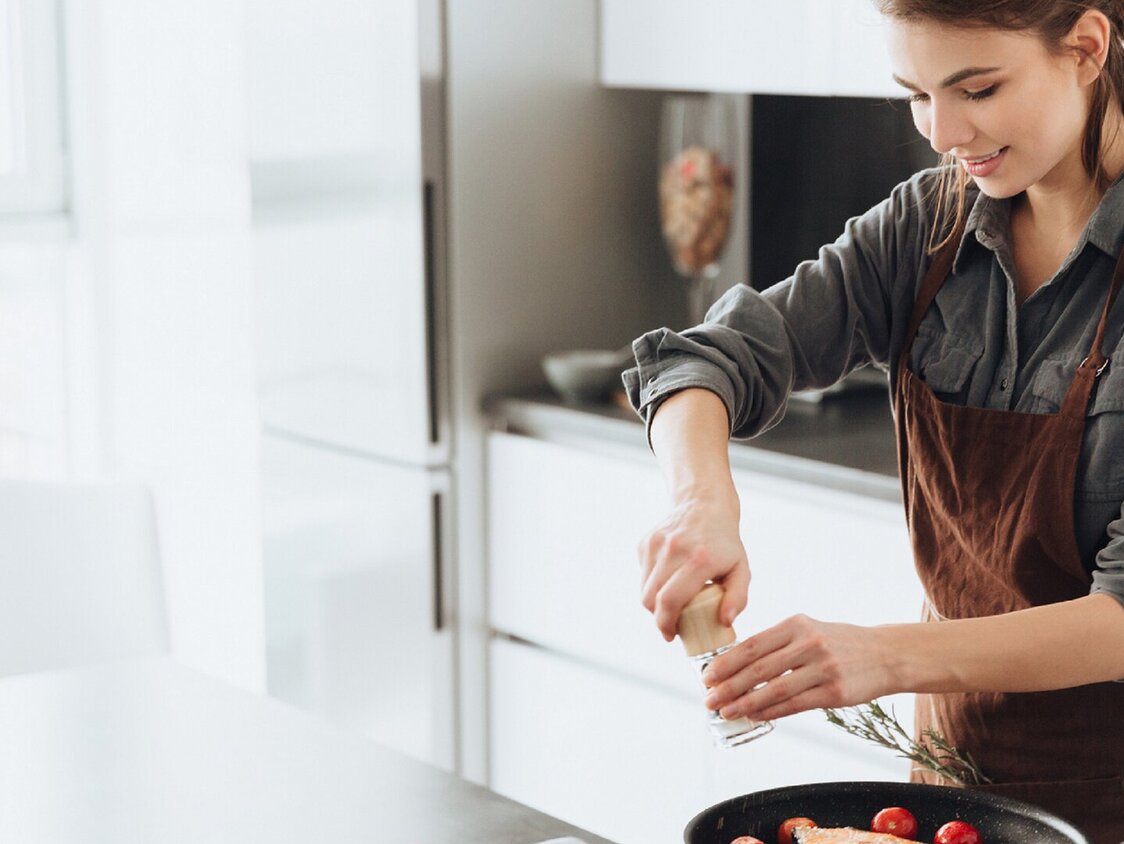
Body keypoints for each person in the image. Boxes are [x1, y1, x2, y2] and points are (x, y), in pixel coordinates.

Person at [624, 2, 1124, 839]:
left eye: (978, 88)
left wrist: (884, 656)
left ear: (1085, 48)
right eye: (916, 94)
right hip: (956, 780)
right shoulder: (928, 225)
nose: (942, 131)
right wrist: (698, 503)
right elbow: (706, 359)